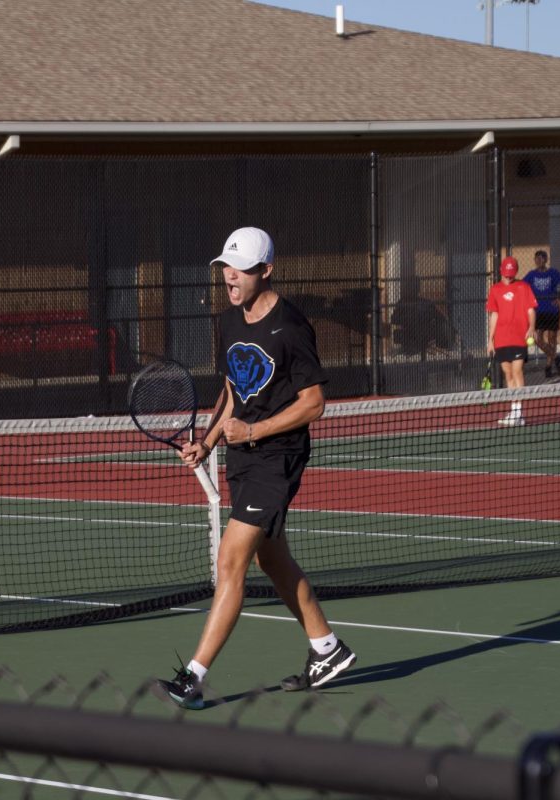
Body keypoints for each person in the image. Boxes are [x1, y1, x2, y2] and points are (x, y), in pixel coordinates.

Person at [157, 226, 355, 710]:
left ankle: (194, 677)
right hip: (242, 458)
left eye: (241, 268)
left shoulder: (291, 327)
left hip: (277, 457)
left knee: (230, 561)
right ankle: (327, 649)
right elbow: (230, 391)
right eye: (226, 266)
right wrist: (207, 441)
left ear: (266, 271)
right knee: (272, 558)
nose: (230, 276)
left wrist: (255, 433)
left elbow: (314, 404)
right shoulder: (227, 322)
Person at [485, 256, 537, 426]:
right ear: (501, 271)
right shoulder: (495, 290)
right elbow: (494, 315)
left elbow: (531, 310)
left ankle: (518, 412)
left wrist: (531, 328)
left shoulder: (524, 287)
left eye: (511, 274)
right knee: (508, 373)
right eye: (506, 274)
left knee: (517, 371)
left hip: (519, 337)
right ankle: (514, 411)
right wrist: (490, 339)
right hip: (501, 338)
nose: (508, 277)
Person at [521, 250, 560, 377]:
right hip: (538, 311)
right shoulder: (531, 274)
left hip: (552, 310)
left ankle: (548, 366)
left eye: (541, 259)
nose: (538, 261)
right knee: (538, 338)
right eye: (536, 259)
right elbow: (522, 286)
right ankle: (555, 357)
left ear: (545, 260)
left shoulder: (552, 273)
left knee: (552, 338)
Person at [390, 276, 454, 359]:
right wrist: (409, 318)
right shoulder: (403, 302)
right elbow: (394, 319)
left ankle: (416, 348)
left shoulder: (424, 303)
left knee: (442, 325)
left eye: (416, 286)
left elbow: (440, 317)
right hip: (410, 332)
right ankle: (412, 348)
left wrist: (427, 318)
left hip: (424, 332)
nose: (414, 288)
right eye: (412, 286)